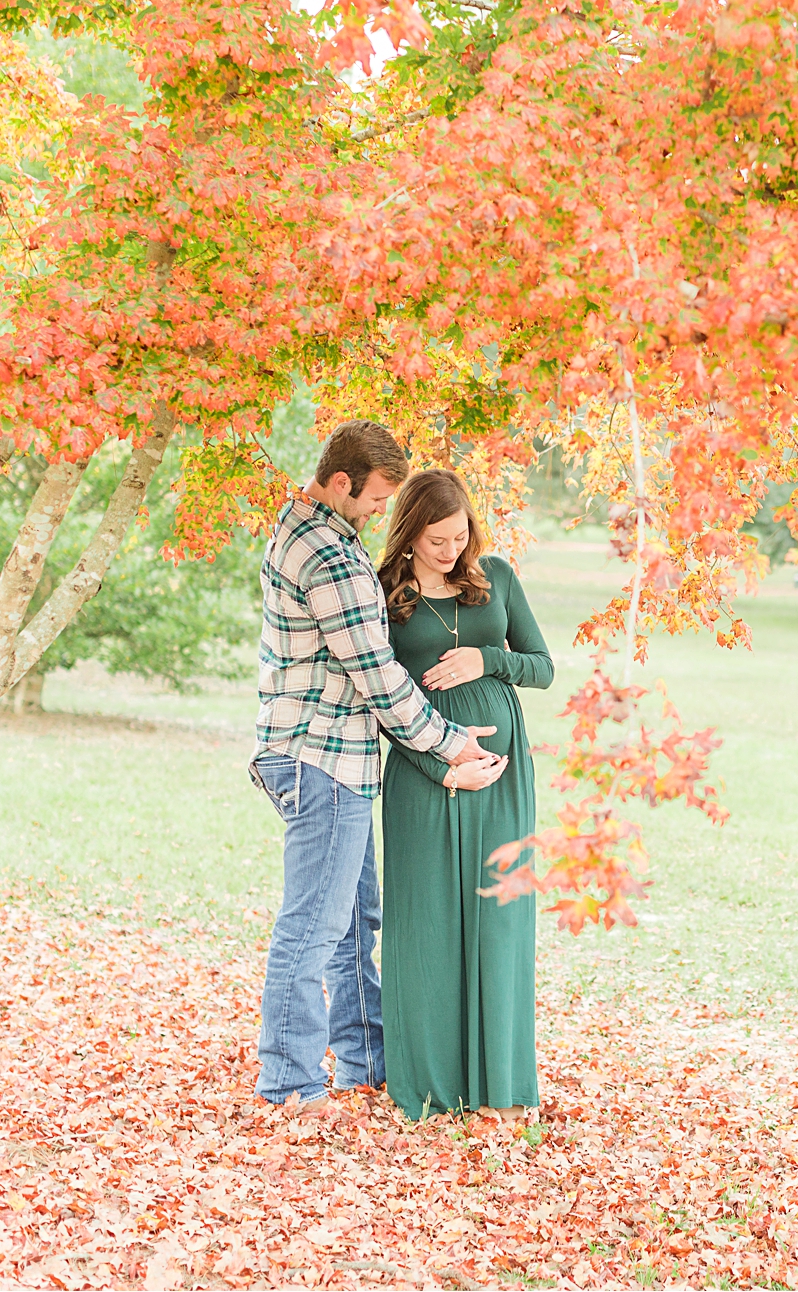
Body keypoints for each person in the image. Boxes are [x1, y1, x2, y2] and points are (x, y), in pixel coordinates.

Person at [250, 421, 507, 1112]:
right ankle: (288, 1087)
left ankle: (364, 1065)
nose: (377, 512)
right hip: (320, 757)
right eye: (373, 499)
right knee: (313, 928)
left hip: (338, 761)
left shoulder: (320, 531)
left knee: (352, 921)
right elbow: (375, 672)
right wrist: (447, 742)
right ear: (341, 482)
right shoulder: (327, 556)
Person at [375, 469, 553, 1122]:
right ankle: (428, 1088)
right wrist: (438, 765)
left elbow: (542, 667)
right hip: (426, 782)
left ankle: (499, 1085)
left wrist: (488, 661)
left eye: (460, 536)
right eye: (437, 539)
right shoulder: (384, 596)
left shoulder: (497, 577)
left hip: (504, 783)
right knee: (425, 928)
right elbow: (379, 705)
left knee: (498, 924)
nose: (451, 550)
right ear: (410, 532)